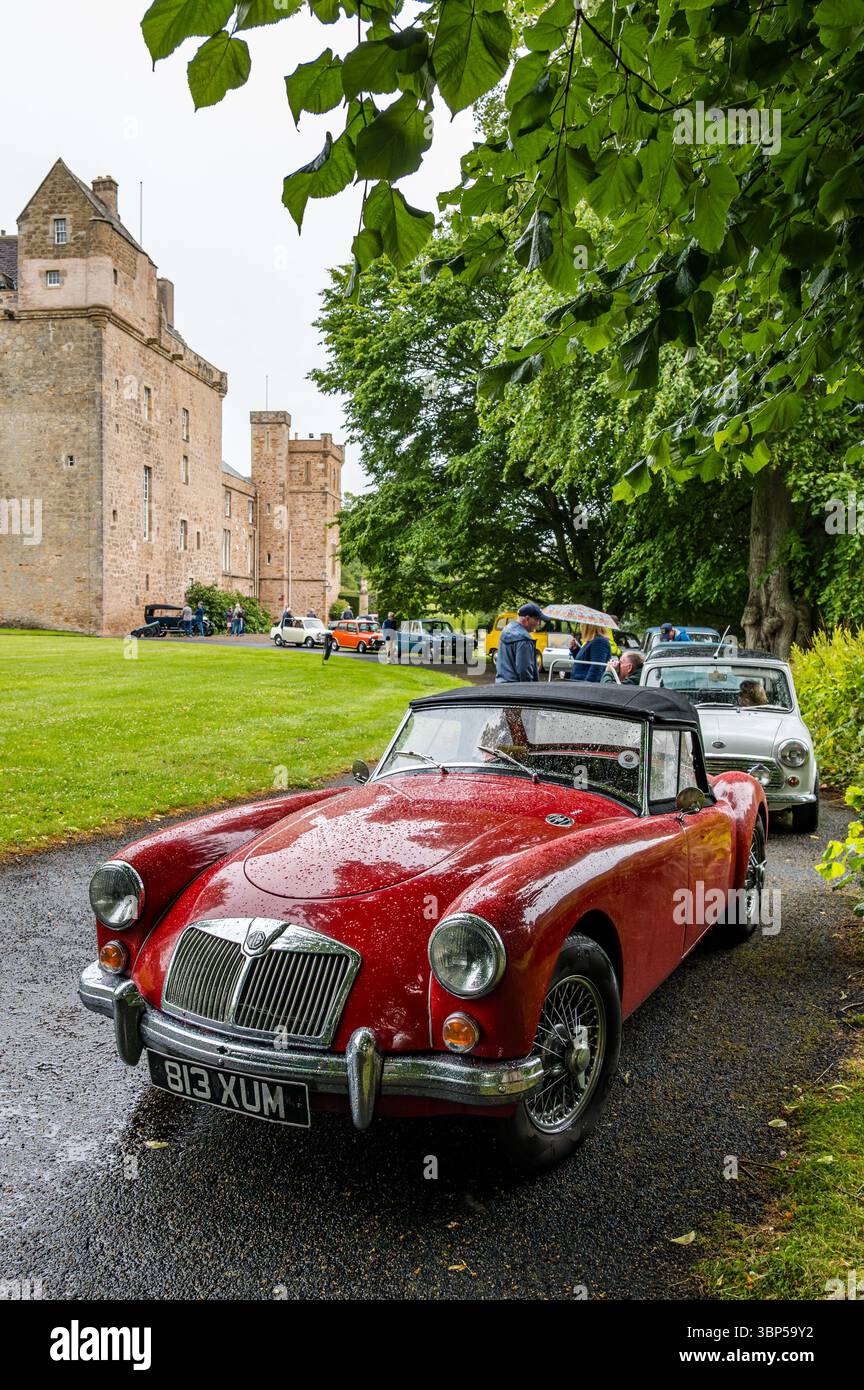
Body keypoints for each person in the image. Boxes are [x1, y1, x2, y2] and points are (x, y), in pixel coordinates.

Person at [495, 603, 543, 683]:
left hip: (500, 686)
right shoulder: (524, 640)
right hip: (517, 690)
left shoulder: (505, 630)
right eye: (537, 620)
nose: (539, 624)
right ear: (527, 619)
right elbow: (524, 670)